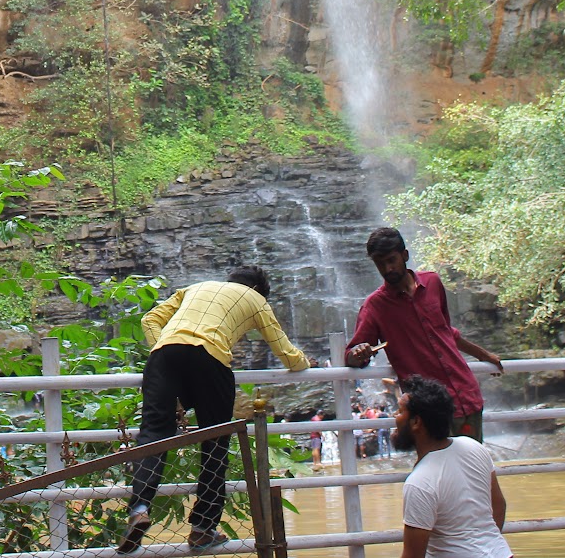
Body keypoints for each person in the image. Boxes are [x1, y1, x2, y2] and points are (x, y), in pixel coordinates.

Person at [119, 265, 313, 554]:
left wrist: (165, 351)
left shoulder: (195, 287)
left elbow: (150, 320)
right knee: (214, 442)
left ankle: (139, 507)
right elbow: (285, 352)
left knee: (153, 433)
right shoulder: (256, 299)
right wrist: (306, 364)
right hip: (210, 357)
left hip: (164, 354)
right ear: (259, 290)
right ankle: (202, 528)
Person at [344, 227, 503, 441]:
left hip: (465, 394)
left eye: (391, 260)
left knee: (475, 468)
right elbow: (353, 355)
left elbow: (446, 331)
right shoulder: (375, 306)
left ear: (405, 255)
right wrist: (358, 353)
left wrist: (482, 354)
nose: (387, 268)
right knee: (440, 471)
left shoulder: (433, 283)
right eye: (380, 263)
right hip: (428, 409)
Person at [391, 374, 511, 558]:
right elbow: (499, 506)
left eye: (399, 411)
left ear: (416, 422)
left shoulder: (419, 483)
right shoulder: (473, 447)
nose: (395, 416)